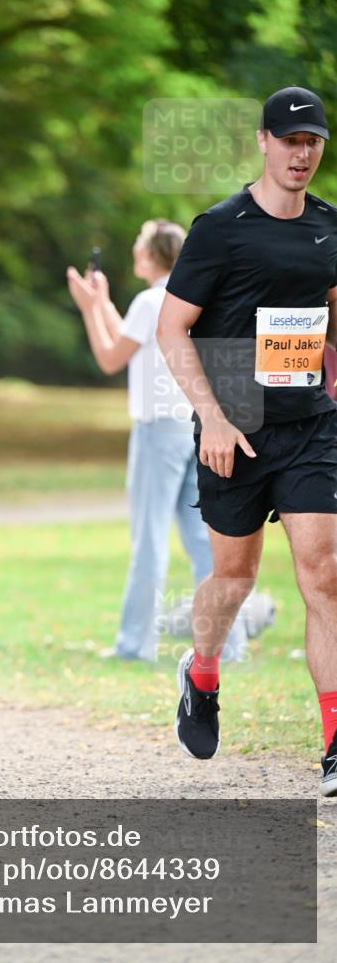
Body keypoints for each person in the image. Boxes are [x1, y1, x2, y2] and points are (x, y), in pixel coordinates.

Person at [156, 86, 337, 796]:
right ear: (262, 141)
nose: (301, 153)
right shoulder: (219, 228)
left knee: (322, 575)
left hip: (309, 426)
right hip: (233, 421)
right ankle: (201, 673)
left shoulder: (328, 227)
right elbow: (172, 330)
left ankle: (333, 742)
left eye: (312, 142)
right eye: (289, 140)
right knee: (234, 579)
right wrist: (216, 417)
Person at [67, 220, 249, 663]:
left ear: (149, 255)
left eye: (137, 244)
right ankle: (229, 645)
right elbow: (132, 339)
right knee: (205, 540)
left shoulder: (149, 301)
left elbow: (112, 357)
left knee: (148, 537)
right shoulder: (186, 298)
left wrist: (89, 309)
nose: (134, 250)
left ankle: (134, 644)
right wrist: (105, 303)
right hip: (194, 426)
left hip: (156, 431)